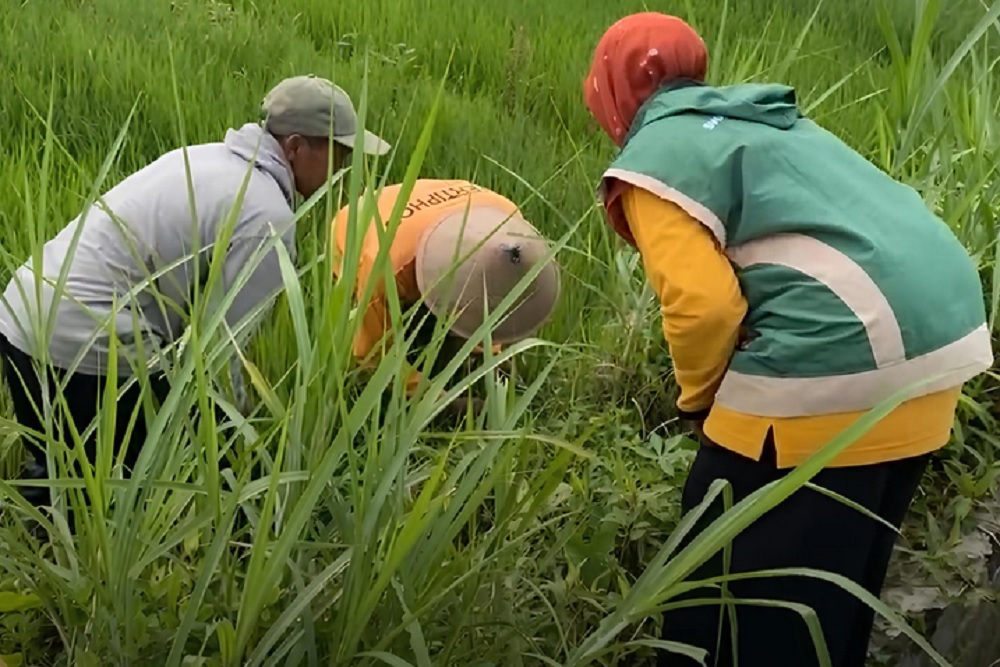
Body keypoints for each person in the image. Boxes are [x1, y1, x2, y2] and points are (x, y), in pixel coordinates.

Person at [582, 12, 993, 667]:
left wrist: (699, 400)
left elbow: (701, 305)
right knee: (835, 595)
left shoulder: (655, 162)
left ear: (606, 91)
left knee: (725, 592)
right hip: (936, 349)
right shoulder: (766, 120)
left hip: (838, 356)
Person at [0, 74, 390, 509]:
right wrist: (236, 443)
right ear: (296, 146)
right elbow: (226, 355)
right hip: (86, 340)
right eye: (339, 152)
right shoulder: (265, 214)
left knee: (62, 476)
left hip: (21, 312)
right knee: (151, 476)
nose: (346, 167)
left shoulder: (202, 157)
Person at [331, 179, 561, 417]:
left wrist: (492, 355)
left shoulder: (508, 220)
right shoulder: (383, 267)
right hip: (357, 226)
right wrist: (442, 405)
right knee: (381, 329)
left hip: (431, 208)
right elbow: (373, 354)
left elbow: (491, 290)